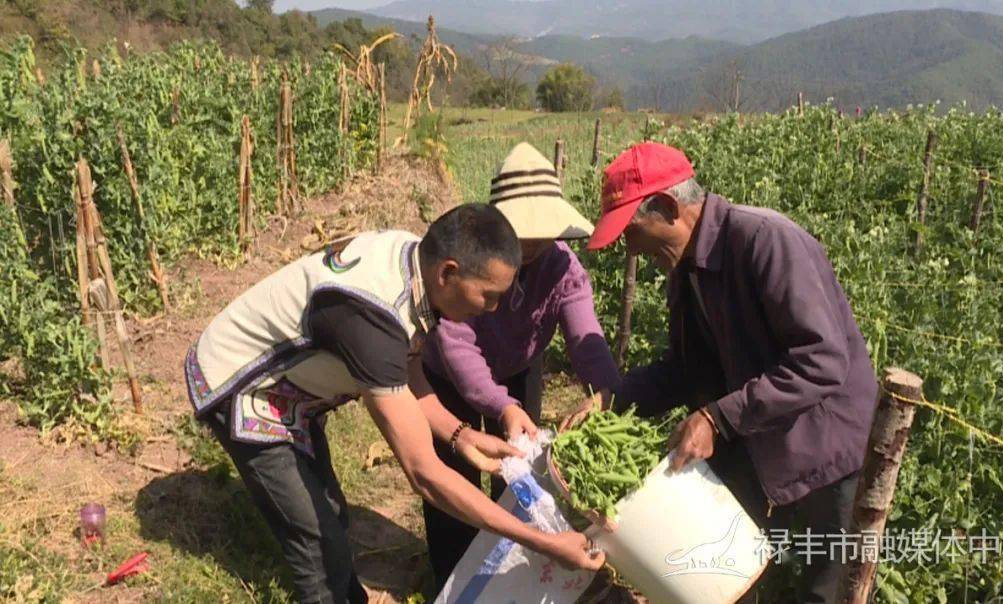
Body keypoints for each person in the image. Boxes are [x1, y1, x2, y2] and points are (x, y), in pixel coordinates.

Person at [184, 204, 604, 603]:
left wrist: (462, 434)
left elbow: (407, 372)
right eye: (488, 296)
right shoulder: (372, 320)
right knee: (316, 538)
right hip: (243, 383)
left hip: (296, 392)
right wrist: (543, 542)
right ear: (449, 273)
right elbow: (425, 476)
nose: (492, 309)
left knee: (329, 510)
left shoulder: (414, 260)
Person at [575, 142, 878, 603]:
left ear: (668, 208)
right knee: (726, 572)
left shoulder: (765, 241)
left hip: (823, 449)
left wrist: (717, 418)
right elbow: (681, 369)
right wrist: (611, 401)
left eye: (632, 231)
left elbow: (822, 360)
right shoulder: (686, 271)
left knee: (827, 589)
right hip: (758, 444)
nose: (627, 247)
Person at [421, 142, 620, 587]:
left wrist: (605, 392)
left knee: (516, 470)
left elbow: (586, 342)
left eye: (541, 231)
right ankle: (451, 577)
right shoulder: (472, 263)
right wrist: (500, 404)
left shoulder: (564, 270)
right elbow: (457, 344)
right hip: (450, 376)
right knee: (454, 471)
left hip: (519, 365)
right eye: (521, 231)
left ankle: (506, 568)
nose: (530, 244)